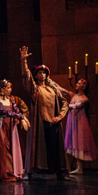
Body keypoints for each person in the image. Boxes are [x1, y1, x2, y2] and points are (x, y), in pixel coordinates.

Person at [19, 46, 70, 180]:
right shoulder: (35, 89)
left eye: (44, 73)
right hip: (40, 122)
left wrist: (60, 116)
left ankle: (60, 172)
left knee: (55, 147)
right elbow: (27, 76)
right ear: (36, 75)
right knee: (37, 147)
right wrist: (24, 61)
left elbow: (64, 102)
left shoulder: (52, 89)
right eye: (39, 73)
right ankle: (30, 172)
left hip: (53, 121)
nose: (42, 75)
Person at [59, 78, 98, 174]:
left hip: (80, 123)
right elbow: (62, 90)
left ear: (84, 86)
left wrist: (68, 105)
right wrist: (51, 83)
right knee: (75, 142)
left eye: (79, 83)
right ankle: (79, 168)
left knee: (84, 142)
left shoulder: (85, 99)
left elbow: (77, 105)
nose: (76, 84)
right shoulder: (73, 95)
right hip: (73, 122)